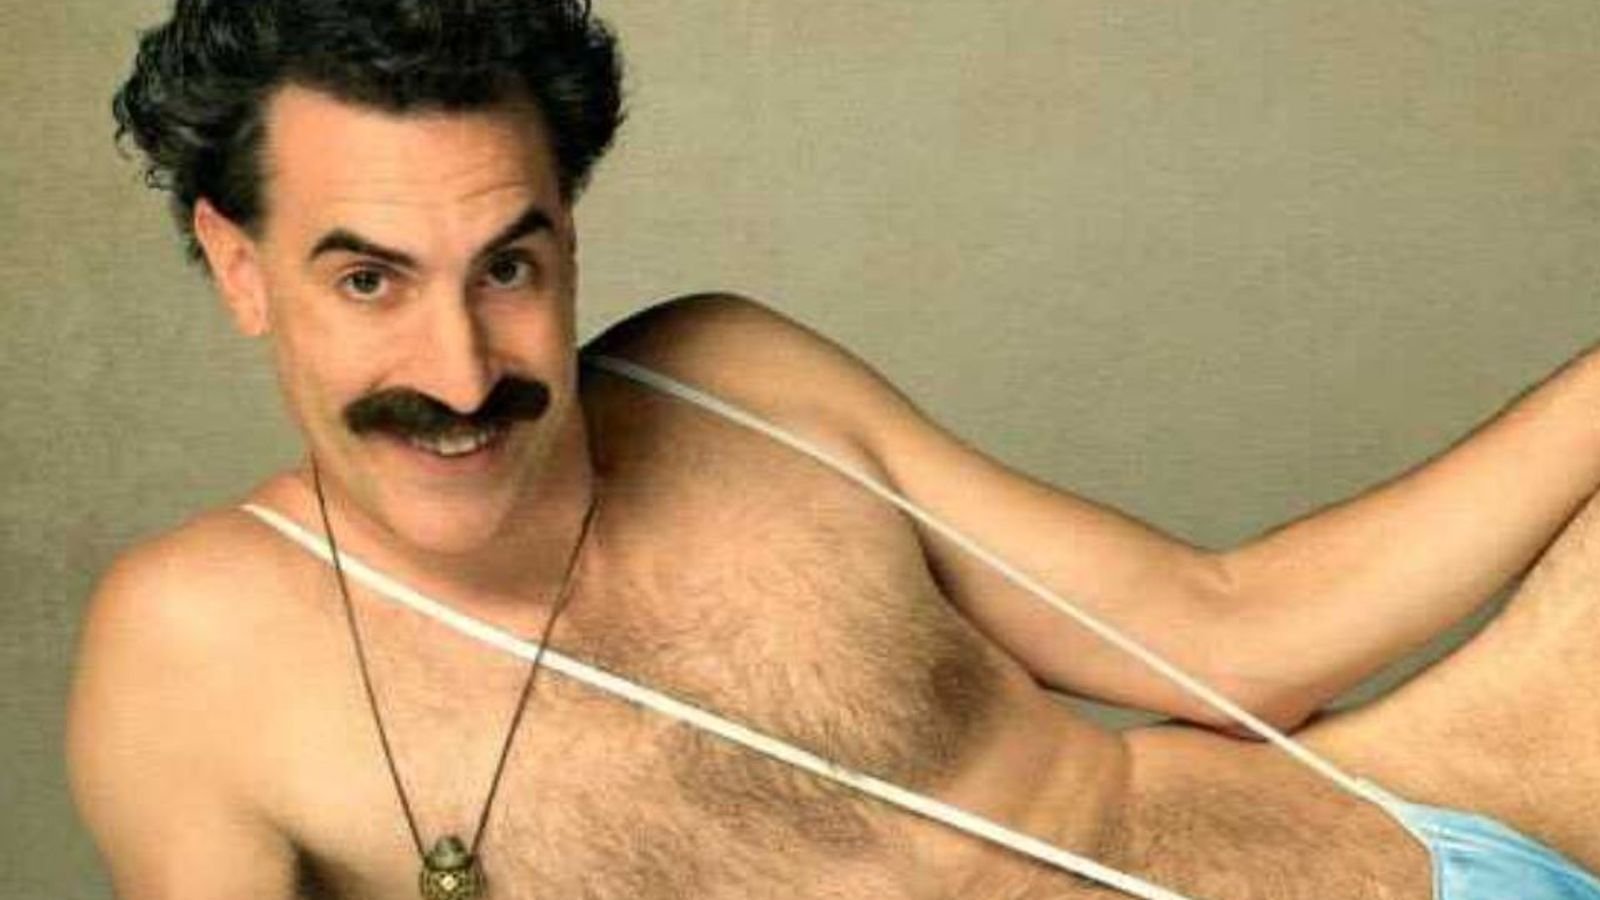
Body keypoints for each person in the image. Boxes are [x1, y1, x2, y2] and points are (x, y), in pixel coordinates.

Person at [66, 1, 1600, 898]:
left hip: (1414, 838)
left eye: (509, 267)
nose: (461, 371)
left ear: (570, 240)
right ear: (242, 266)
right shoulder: (192, 655)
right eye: (369, 281)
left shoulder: (730, 382)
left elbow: (1232, 639)